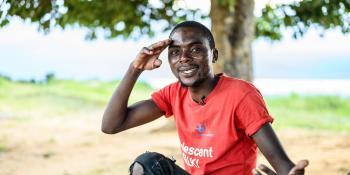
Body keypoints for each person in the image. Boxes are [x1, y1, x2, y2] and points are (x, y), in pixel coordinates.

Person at [101, 21, 308, 175]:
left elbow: (284, 167)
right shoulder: (174, 93)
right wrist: (135, 68)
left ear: (214, 55)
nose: (184, 58)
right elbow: (111, 125)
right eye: (175, 52)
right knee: (147, 165)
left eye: (195, 49)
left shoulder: (240, 95)